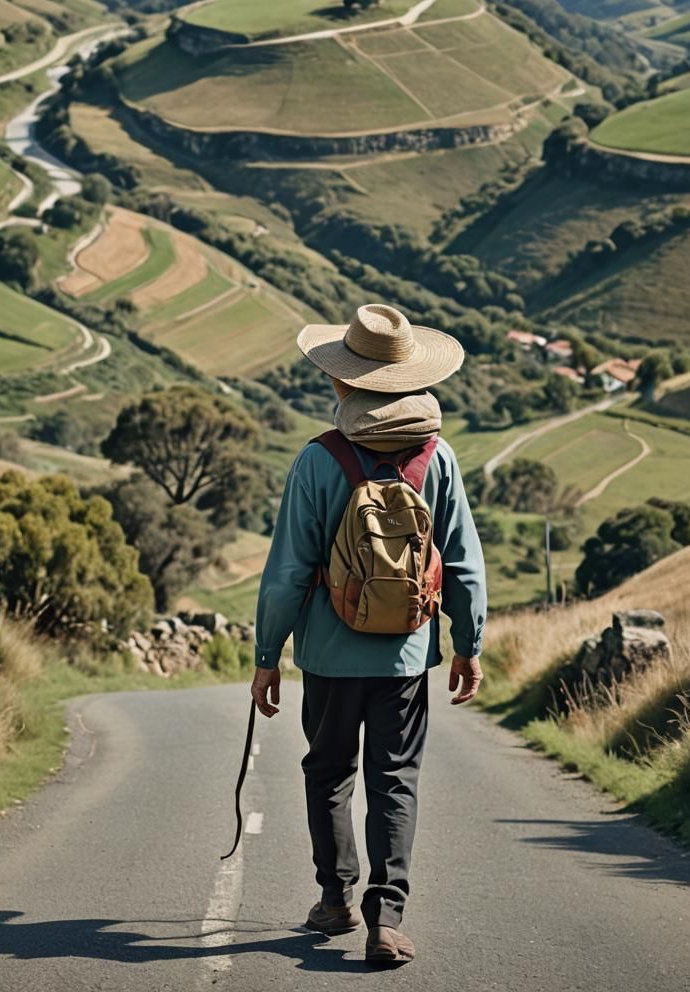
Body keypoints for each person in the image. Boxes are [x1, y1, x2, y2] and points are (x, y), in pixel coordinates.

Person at [250, 303, 487, 966]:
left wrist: (267, 657)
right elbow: (463, 561)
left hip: (327, 655)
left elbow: (287, 574)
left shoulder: (318, 461)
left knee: (328, 772)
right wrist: (467, 644)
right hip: (407, 654)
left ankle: (335, 900)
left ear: (343, 381)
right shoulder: (437, 460)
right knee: (396, 778)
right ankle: (387, 920)